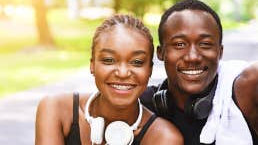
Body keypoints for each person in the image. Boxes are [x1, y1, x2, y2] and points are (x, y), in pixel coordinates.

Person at [140, 0, 258, 145]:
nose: (193, 57)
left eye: (205, 44)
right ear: (161, 53)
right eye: (180, 44)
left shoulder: (244, 88)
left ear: (220, 51)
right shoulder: (142, 104)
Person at [35, 14, 184, 145]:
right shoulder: (55, 109)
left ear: (149, 70)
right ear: (92, 65)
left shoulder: (165, 138)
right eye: (109, 60)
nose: (123, 73)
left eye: (137, 62)